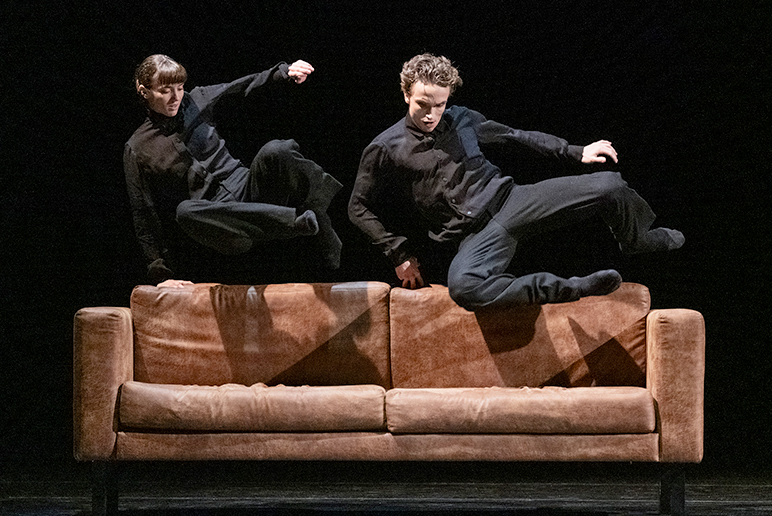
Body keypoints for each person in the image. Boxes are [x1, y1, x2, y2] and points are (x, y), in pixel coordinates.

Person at [348, 53, 684, 310]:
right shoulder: (385, 147)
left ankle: (637, 238)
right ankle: (572, 288)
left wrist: (573, 151)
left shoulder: (462, 118)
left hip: (513, 200)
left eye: (440, 104)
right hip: (477, 234)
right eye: (423, 104)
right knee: (464, 288)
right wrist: (398, 253)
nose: (432, 114)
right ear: (407, 94)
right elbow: (358, 207)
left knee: (610, 185)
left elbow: (515, 136)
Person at [125, 54, 342, 287]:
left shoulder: (196, 100)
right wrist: (162, 277)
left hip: (249, 188)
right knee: (185, 211)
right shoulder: (137, 148)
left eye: (179, 88)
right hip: (225, 220)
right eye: (166, 90)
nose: (176, 97)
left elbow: (240, 87)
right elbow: (144, 213)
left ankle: (317, 213)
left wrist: (283, 72)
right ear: (143, 90)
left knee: (277, 150)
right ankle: (293, 222)